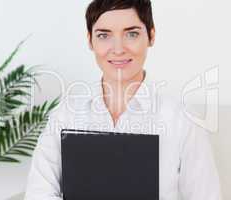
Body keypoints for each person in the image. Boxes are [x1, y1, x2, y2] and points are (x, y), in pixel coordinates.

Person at [24, 0, 222, 199]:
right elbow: (39, 194)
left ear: (151, 36)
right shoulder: (65, 115)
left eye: (132, 34)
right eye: (104, 35)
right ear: (90, 41)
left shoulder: (182, 122)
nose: (118, 49)